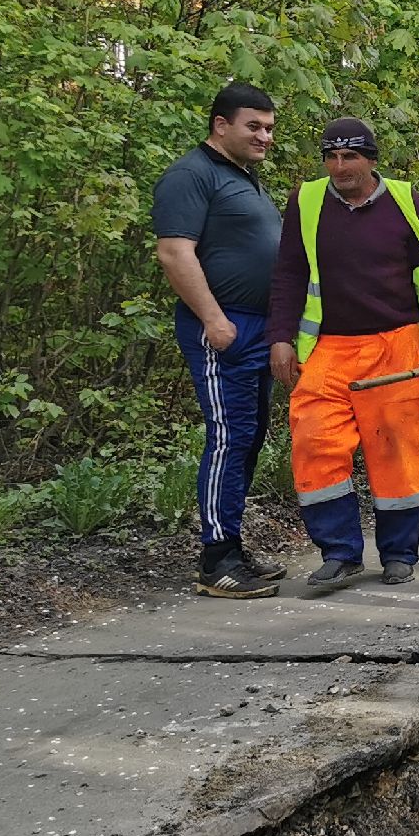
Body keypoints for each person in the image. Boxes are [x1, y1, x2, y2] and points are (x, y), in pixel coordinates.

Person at [265, 118, 419, 586]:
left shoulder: (404, 199)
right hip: (328, 347)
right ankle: (340, 553)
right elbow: (290, 272)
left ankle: (399, 554)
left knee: (397, 450)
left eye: (350, 157)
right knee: (315, 442)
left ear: (372, 160)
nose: (340, 167)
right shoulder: (306, 200)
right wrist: (280, 337)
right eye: (331, 157)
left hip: (395, 345)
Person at [152, 81, 289, 599]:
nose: (264, 136)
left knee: (250, 435)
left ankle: (232, 544)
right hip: (222, 328)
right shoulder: (191, 175)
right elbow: (174, 253)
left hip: (258, 328)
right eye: (254, 126)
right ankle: (216, 560)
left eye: (269, 128)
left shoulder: (244, 177)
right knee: (229, 436)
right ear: (220, 124)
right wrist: (213, 319)